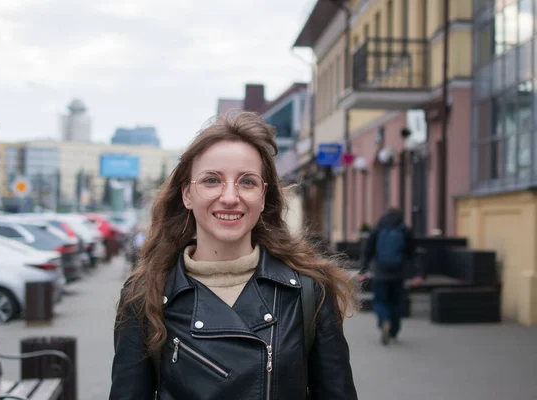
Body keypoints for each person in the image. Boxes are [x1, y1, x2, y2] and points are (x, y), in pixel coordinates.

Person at [110, 111, 359, 400]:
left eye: (247, 182)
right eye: (212, 180)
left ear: (264, 197)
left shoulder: (308, 292)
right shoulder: (145, 298)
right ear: (187, 195)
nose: (230, 197)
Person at [358, 208, 422, 346]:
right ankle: (393, 331)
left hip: (380, 273)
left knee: (380, 301)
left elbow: (367, 251)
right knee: (396, 302)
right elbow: (413, 254)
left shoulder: (377, 229)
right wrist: (417, 273)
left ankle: (384, 321)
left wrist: (363, 271)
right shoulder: (404, 230)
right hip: (399, 274)